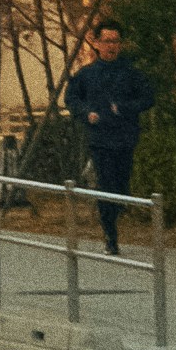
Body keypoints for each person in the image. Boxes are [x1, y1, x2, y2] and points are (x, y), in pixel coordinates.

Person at [70, 17, 150, 254]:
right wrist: (87, 114)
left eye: (115, 41)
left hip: (125, 138)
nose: (111, 46)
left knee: (121, 187)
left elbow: (148, 98)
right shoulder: (87, 75)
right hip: (100, 140)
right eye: (106, 41)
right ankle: (110, 236)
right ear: (96, 43)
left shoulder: (131, 73)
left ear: (121, 44)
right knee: (106, 185)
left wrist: (125, 108)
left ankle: (115, 212)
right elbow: (72, 99)